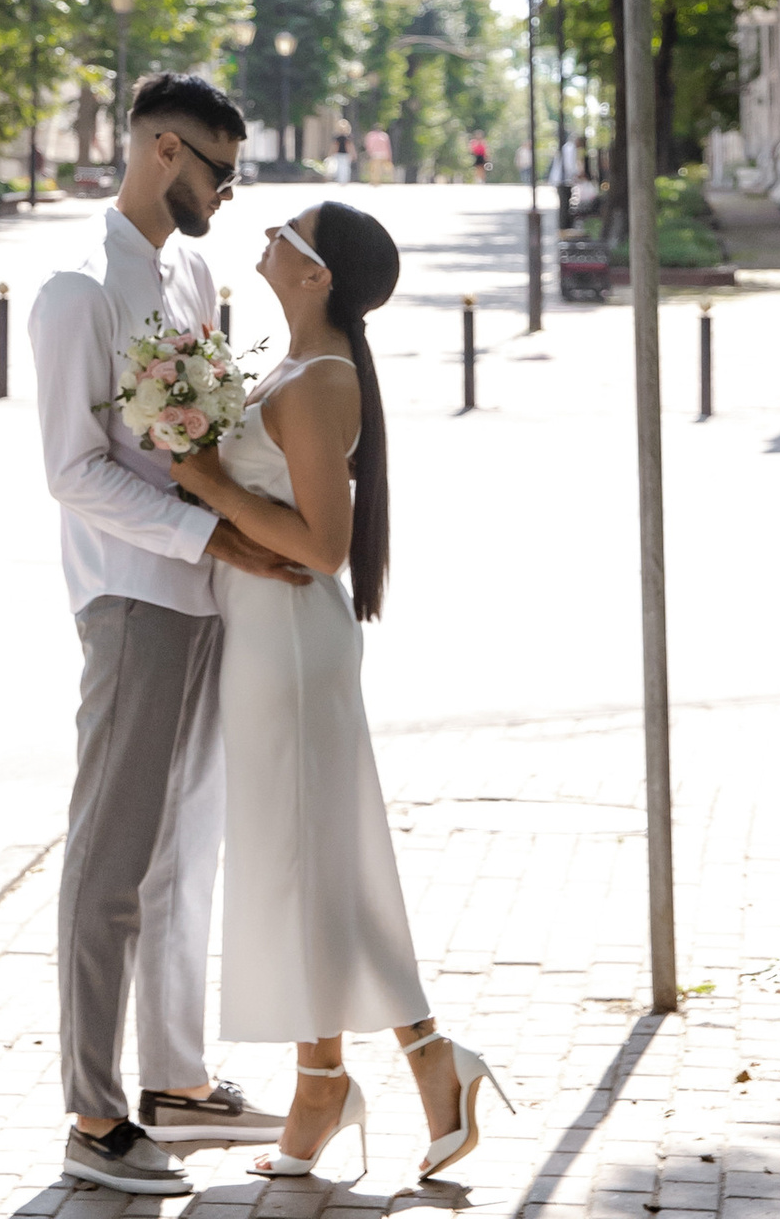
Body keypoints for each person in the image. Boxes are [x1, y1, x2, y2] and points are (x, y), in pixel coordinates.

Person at [170, 198, 507, 1187]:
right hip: (268, 640)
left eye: (289, 229)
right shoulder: (297, 365)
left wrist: (207, 482)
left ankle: (380, 1070)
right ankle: (374, 1068)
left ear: (316, 274)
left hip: (288, 647)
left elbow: (321, 546)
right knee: (315, 860)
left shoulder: (318, 381)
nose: (268, 233)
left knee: (300, 860)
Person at [30, 74, 299, 1200]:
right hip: (134, 598)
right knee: (112, 859)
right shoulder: (74, 291)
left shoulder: (188, 270)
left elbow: (204, 424)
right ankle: (94, 1115)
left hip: (202, 594)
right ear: (159, 150)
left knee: (184, 849)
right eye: (218, 173)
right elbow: (73, 471)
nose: (226, 196)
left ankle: (175, 1083)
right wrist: (207, 537)